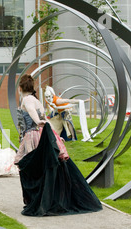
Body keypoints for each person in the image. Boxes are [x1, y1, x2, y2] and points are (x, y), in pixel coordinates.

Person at [15, 74, 102, 216]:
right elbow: (46, 119)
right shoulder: (36, 100)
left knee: (29, 168)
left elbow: (32, 112)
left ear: (20, 88)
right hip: (40, 135)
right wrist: (54, 135)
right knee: (40, 168)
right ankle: (43, 199)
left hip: (32, 136)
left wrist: (37, 122)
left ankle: (36, 200)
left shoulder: (27, 99)